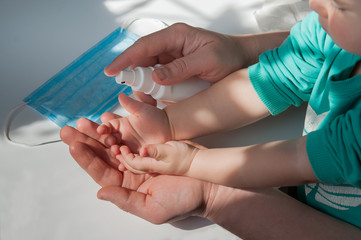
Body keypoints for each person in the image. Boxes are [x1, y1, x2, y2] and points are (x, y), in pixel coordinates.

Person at [60, 0, 361, 238]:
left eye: (341, 5)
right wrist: (169, 124)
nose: (315, 4)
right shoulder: (331, 32)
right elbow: (274, 78)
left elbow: (298, 158)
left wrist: (192, 165)